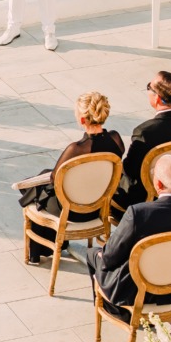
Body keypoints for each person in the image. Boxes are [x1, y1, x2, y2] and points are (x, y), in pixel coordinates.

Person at [88, 155, 171, 314]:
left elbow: (109, 257)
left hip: (138, 292)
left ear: (158, 183)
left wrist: (102, 255)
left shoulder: (138, 214)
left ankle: (118, 312)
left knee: (93, 255)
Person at [13, 92, 126, 263]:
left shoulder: (76, 149)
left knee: (37, 189)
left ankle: (38, 252)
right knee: (42, 180)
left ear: (82, 120)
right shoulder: (116, 139)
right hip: (99, 208)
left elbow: (54, 178)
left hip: (72, 212)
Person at [117, 72, 171, 208]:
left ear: (157, 98)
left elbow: (131, 170)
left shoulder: (145, 132)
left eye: (149, 87)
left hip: (149, 200)